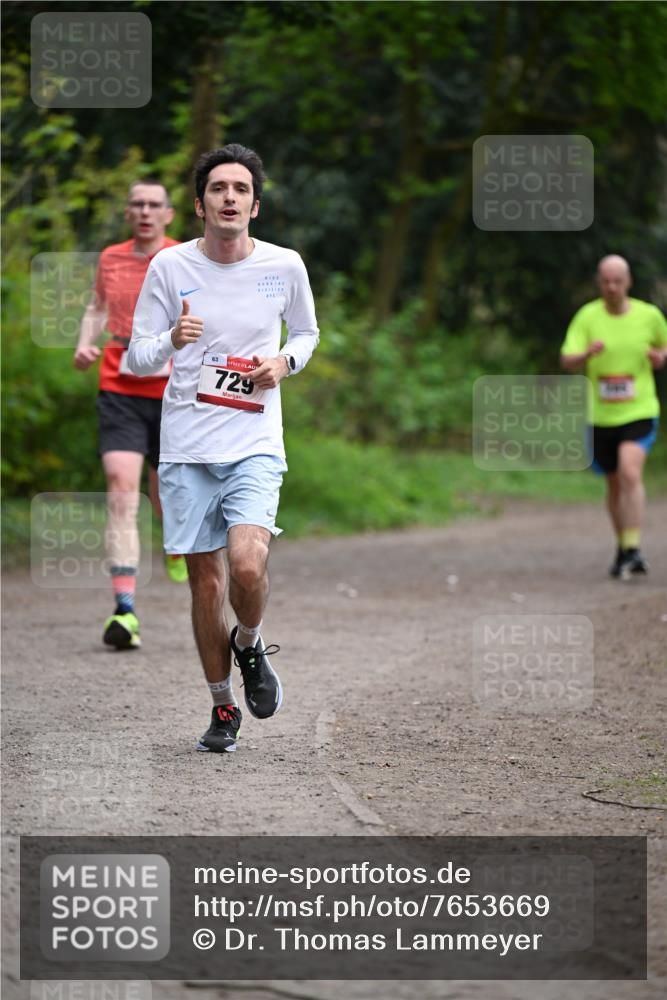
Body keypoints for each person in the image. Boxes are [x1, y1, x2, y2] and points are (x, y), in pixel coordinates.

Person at [127, 144, 319, 752]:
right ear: (199, 203)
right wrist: (170, 340)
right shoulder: (169, 268)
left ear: (255, 206)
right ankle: (222, 708)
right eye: (218, 189)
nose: (229, 198)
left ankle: (249, 641)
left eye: (240, 189)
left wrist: (283, 362)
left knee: (246, 565)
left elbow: (309, 333)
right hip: (186, 447)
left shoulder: (284, 266)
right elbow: (136, 356)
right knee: (206, 586)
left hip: (254, 440)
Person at [74, 180, 187, 652]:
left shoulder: (187, 257)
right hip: (119, 384)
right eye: (137, 204)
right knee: (122, 489)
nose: (144, 211)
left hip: (175, 390)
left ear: (169, 214)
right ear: (128, 213)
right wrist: (85, 339)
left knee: (166, 493)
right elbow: (98, 305)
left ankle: (176, 544)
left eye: (153, 205)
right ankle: (125, 610)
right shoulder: (111, 257)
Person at [561, 254, 667, 578]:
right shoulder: (587, 317)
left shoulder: (649, 316)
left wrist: (659, 357)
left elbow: (664, 348)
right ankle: (623, 548)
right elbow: (567, 360)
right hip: (600, 415)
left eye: (617, 281)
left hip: (639, 409)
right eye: (605, 281)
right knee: (614, 483)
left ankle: (633, 549)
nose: (611, 287)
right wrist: (586, 354)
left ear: (628, 282)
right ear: (599, 282)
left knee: (629, 472)